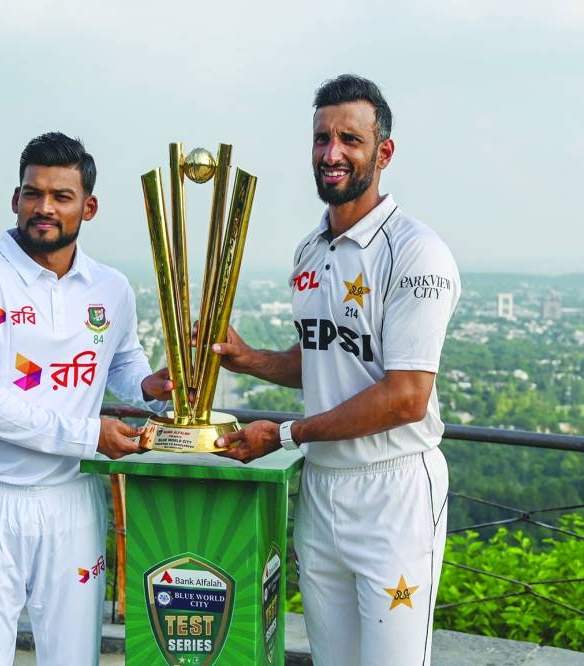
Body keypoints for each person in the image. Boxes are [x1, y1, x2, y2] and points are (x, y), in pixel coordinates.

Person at [213, 75, 461, 665]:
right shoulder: (310, 250)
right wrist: (247, 359)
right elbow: (326, 362)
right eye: (322, 138)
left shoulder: (415, 250)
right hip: (323, 487)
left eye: (350, 138)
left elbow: (406, 397)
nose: (332, 153)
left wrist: (285, 434)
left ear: (384, 151)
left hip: (393, 489)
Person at [0, 131, 171, 665]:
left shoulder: (109, 287)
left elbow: (123, 362)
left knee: (74, 658)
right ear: (15, 199)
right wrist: (89, 435)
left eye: (61, 196)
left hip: (73, 499)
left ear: (88, 206)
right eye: (32, 193)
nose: (44, 208)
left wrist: (151, 388)